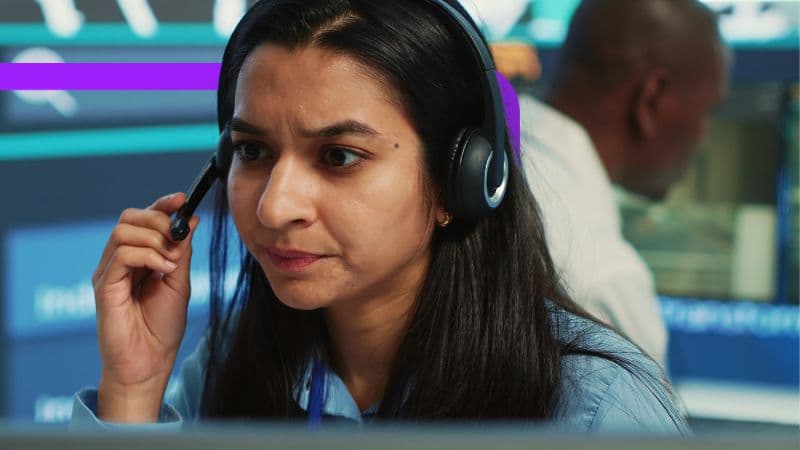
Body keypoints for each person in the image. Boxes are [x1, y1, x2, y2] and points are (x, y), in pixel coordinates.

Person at [72, 0, 689, 433]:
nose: (274, 206)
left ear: (460, 181)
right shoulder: (231, 365)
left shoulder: (594, 409)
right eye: (253, 151)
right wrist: (132, 389)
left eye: (339, 156)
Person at [520, 0, 729, 367]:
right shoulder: (601, 283)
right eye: (706, 111)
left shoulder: (494, 151)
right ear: (651, 98)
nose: (705, 138)